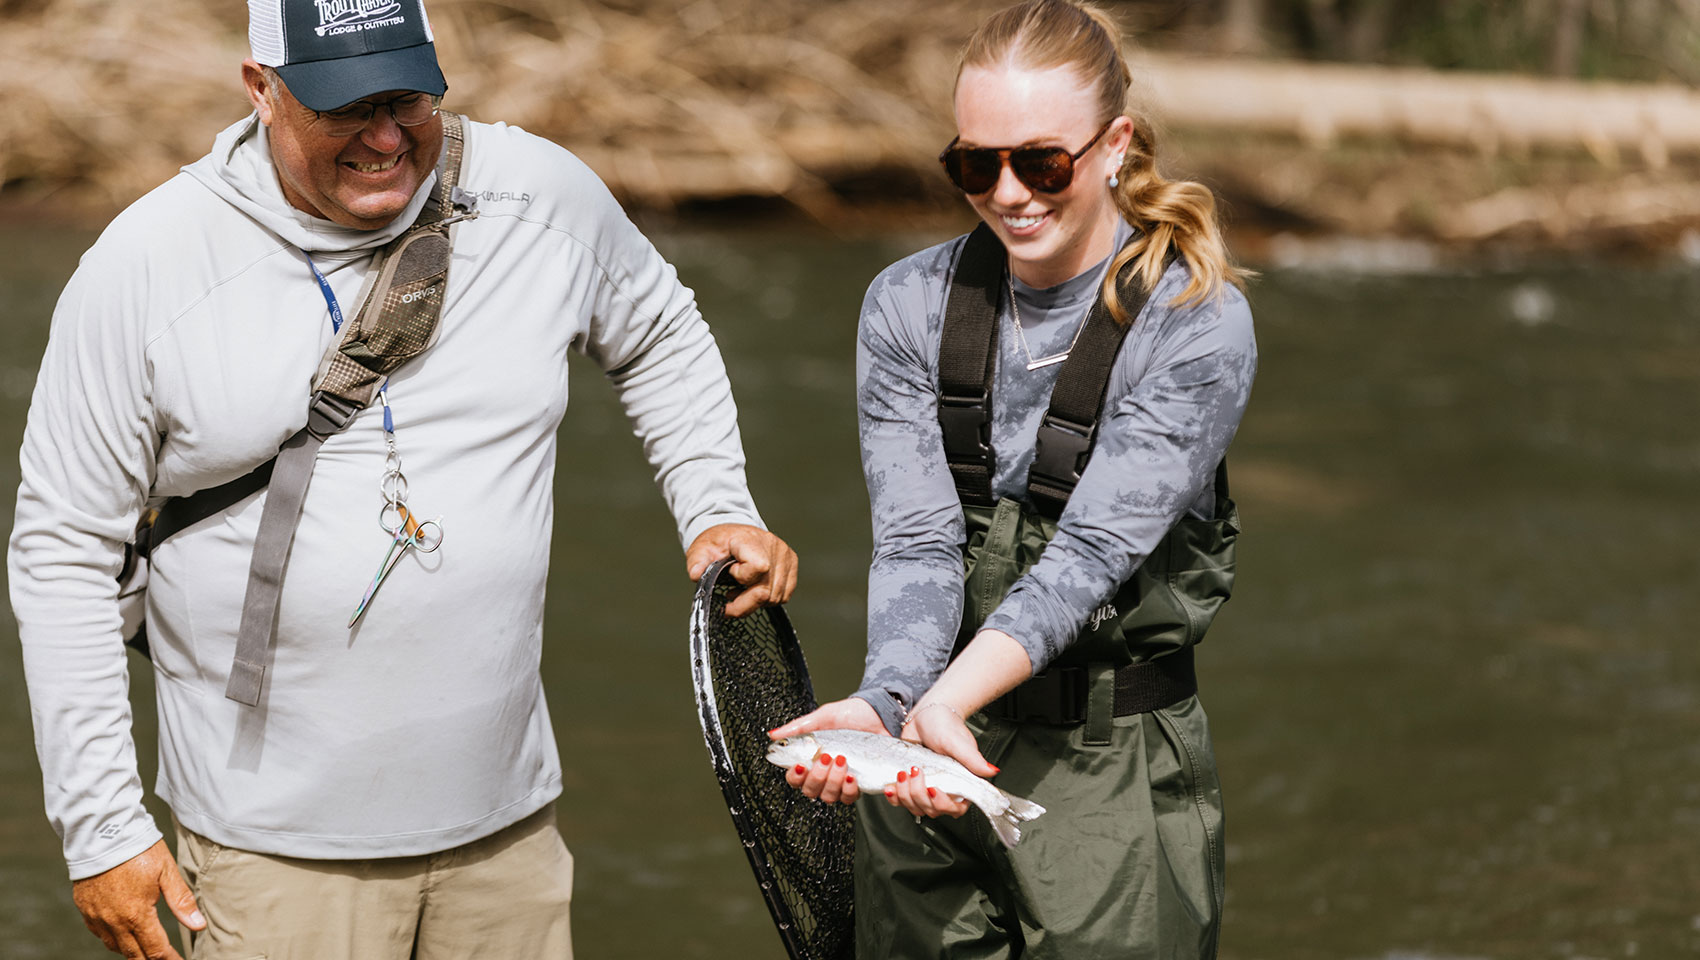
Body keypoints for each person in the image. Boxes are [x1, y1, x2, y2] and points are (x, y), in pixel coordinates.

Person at [9, 1, 797, 958]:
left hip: (507, 834)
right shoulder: (144, 266)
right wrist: (103, 831)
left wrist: (715, 502)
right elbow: (62, 553)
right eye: (346, 106)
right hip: (270, 854)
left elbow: (660, 330)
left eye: (409, 99)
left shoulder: (537, 192)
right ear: (262, 91)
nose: (386, 138)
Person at [768, 0, 1256, 956]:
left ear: (1114, 145)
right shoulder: (906, 305)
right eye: (973, 164)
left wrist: (943, 702)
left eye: (1041, 163)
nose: (1008, 193)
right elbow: (915, 543)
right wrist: (888, 702)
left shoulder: (1194, 321)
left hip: (1109, 766)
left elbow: (1089, 555)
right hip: (925, 758)